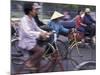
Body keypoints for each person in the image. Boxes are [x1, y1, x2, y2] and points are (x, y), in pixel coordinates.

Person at [18, 3, 51, 71]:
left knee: (38, 64)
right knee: (41, 51)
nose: (37, 11)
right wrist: (40, 34)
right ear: (30, 11)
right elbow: (28, 32)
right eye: (35, 9)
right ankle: (29, 63)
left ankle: (34, 67)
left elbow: (37, 28)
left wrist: (45, 32)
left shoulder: (32, 19)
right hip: (26, 42)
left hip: (31, 41)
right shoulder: (24, 20)